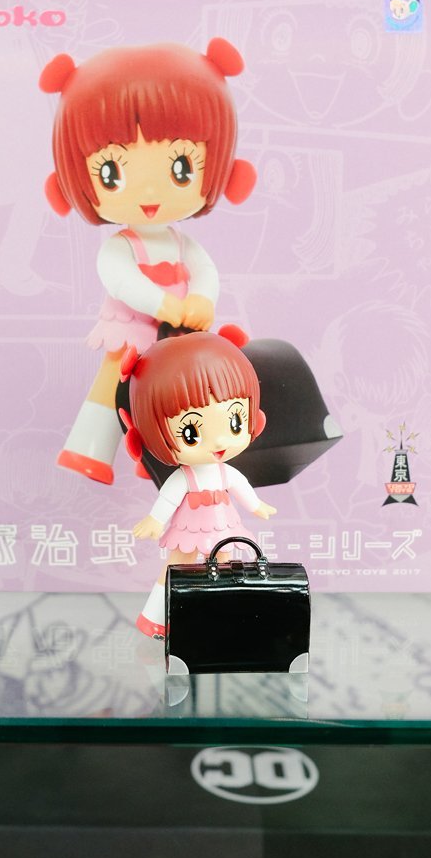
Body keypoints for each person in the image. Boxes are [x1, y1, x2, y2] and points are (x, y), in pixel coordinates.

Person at [40, 40, 255, 484]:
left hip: (179, 333)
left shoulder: (181, 242)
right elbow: (120, 280)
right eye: (112, 173)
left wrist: (202, 300)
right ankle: (88, 449)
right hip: (133, 330)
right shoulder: (120, 246)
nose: (151, 194)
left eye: (181, 167)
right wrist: (163, 304)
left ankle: (163, 457)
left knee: (176, 396)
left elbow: (205, 271)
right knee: (112, 386)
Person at [120, 331, 277, 638]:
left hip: (223, 525)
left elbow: (241, 485)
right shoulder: (185, 477)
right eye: (191, 432)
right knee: (177, 565)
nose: (218, 443)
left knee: (226, 568)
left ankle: (221, 618)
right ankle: (155, 618)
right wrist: (155, 520)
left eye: (234, 422)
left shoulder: (225, 472)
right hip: (189, 527)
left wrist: (256, 505)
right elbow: (168, 498)